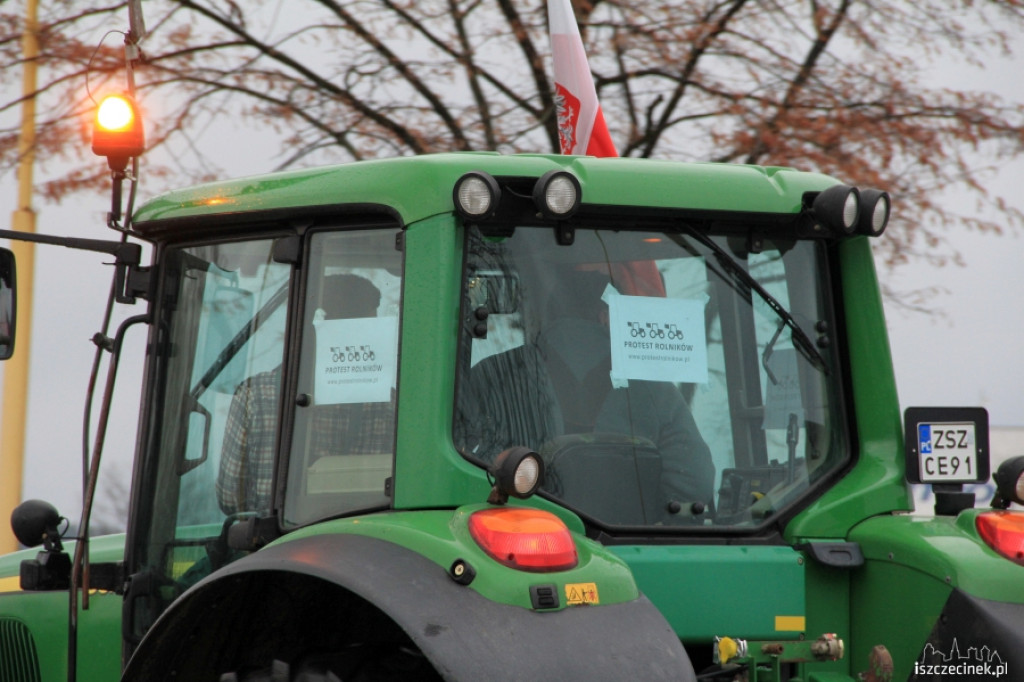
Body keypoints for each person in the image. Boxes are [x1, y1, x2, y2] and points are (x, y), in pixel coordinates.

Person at [539, 268, 716, 513]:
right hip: (628, 542)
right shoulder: (652, 386)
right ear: (605, 317)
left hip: (526, 537)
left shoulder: (497, 374)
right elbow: (695, 483)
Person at [216, 273, 393, 515]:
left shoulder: (255, 395)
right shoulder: (392, 404)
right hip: (369, 541)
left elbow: (230, 498)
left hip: (274, 543)